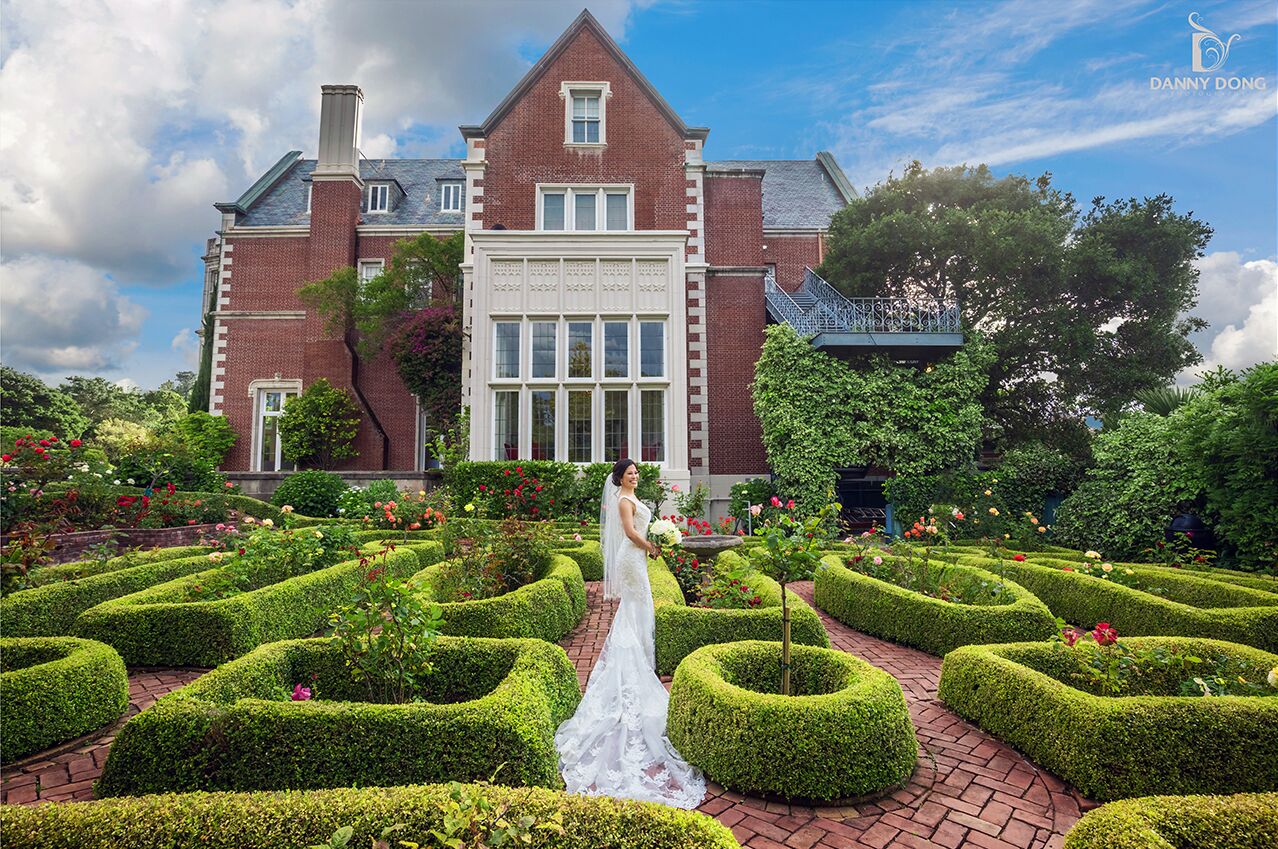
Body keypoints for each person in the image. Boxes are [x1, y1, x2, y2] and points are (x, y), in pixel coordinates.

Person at [554, 458, 705, 808]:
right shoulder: (623, 500)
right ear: (620, 477)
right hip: (632, 558)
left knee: (638, 612)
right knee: (638, 608)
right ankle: (633, 662)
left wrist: (656, 539)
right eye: (630, 472)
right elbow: (629, 533)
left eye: (637, 472)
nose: (635, 476)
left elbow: (642, 528)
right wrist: (652, 545)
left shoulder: (635, 498)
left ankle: (638, 655)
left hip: (638, 558)